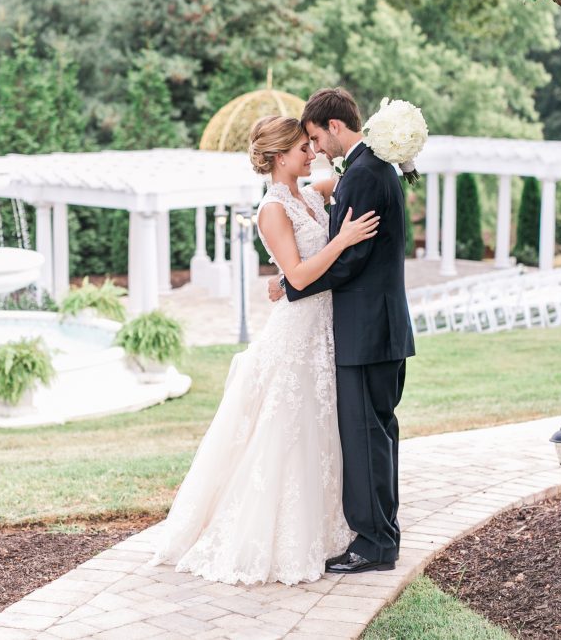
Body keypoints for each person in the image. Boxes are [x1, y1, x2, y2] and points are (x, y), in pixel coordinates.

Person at [149, 115, 379, 585]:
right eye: (301, 149)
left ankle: (329, 525)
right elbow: (296, 276)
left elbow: (358, 168)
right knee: (288, 428)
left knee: (323, 426)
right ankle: (278, 537)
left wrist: (386, 142)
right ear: (278, 157)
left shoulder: (311, 194)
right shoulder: (272, 209)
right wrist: (342, 240)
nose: (312, 153)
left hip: (325, 328)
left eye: (310, 146)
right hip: (297, 332)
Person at [268, 87, 415, 574]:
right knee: (378, 435)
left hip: (365, 332)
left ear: (334, 126)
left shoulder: (364, 174)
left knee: (365, 437)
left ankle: (374, 543)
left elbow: (350, 259)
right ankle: (383, 534)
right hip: (377, 330)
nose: (315, 149)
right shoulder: (372, 169)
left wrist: (292, 286)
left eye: (315, 137)